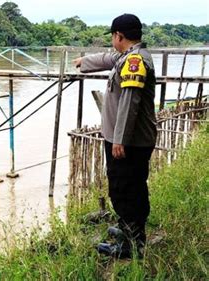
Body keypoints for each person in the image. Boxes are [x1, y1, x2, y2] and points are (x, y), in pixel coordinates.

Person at [73, 14, 157, 258]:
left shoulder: (135, 62)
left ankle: (129, 247)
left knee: (125, 190)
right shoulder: (128, 57)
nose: (112, 41)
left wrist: (119, 139)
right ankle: (128, 231)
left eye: (112, 36)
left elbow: (129, 103)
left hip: (129, 141)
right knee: (130, 187)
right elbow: (108, 58)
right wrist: (84, 61)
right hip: (129, 139)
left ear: (118, 36)